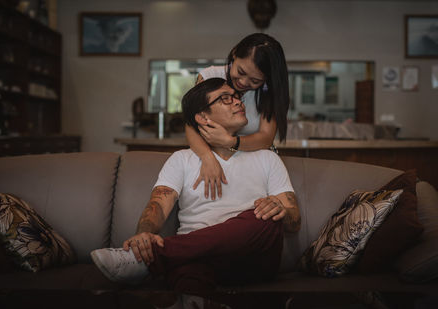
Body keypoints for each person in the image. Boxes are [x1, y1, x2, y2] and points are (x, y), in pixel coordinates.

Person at [91, 78, 300, 295]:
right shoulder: (182, 159)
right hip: (194, 262)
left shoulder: (267, 158)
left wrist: (280, 210)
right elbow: (159, 206)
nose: (238, 102)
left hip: (250, 260)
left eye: (237, 97)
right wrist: (143, 235)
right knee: (188, 285)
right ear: (203, 117)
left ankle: (152, 258)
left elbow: (294, 222)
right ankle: (160, 257)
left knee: (264, 220)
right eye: (226, 99)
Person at [187, 33, 290, 200]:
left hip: (254, 164)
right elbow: (192, 125)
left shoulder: (268, 92)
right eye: (240, 71)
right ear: (234, 54)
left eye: (255, 81)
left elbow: (266, 137)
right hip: (213, 159)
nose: (243, 82)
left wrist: (230, 142)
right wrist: (207, 158)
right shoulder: (210, 77)